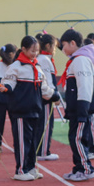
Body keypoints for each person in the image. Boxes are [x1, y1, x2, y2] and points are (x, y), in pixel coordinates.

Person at [2, 35, 54, 180]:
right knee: (22, 141)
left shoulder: (37, 67)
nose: (35, 53)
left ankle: (31, 168)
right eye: (32, 51)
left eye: (37, 50)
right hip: (20, 111)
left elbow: (44, 89)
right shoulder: (15, 67)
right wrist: (5, 87)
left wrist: (53, 95)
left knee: (33, 142)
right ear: (23, 49)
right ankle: (20, 170)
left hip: (35, 110)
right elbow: (8, 83)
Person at [58, 29, 94, 181]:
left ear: (73, 43)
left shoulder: (80, 60)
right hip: (77, 108)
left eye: (64, 45)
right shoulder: (77, 59)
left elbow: (84, 86)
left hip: (82, 108)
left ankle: (86, 169)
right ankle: (78, 168)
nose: (63, 50)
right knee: (74, 138)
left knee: (78, 139)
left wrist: (82, 110)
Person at [35, 32, 60, 161]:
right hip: (46, 98)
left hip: (42, 97)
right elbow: (47, 81)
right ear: (48, 46)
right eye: (54, 47)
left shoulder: (42, 59)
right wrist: (54, 96)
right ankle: (43, 151)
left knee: (41, 124)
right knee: (45, 125)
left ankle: (39, 150)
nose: (55, 50)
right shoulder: (44, 60)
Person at [0, 44, 17, 153]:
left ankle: (0, 145)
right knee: (5, 122)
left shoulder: (15, 65)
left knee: (8, 122)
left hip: (8, 97)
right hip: (6, 98)